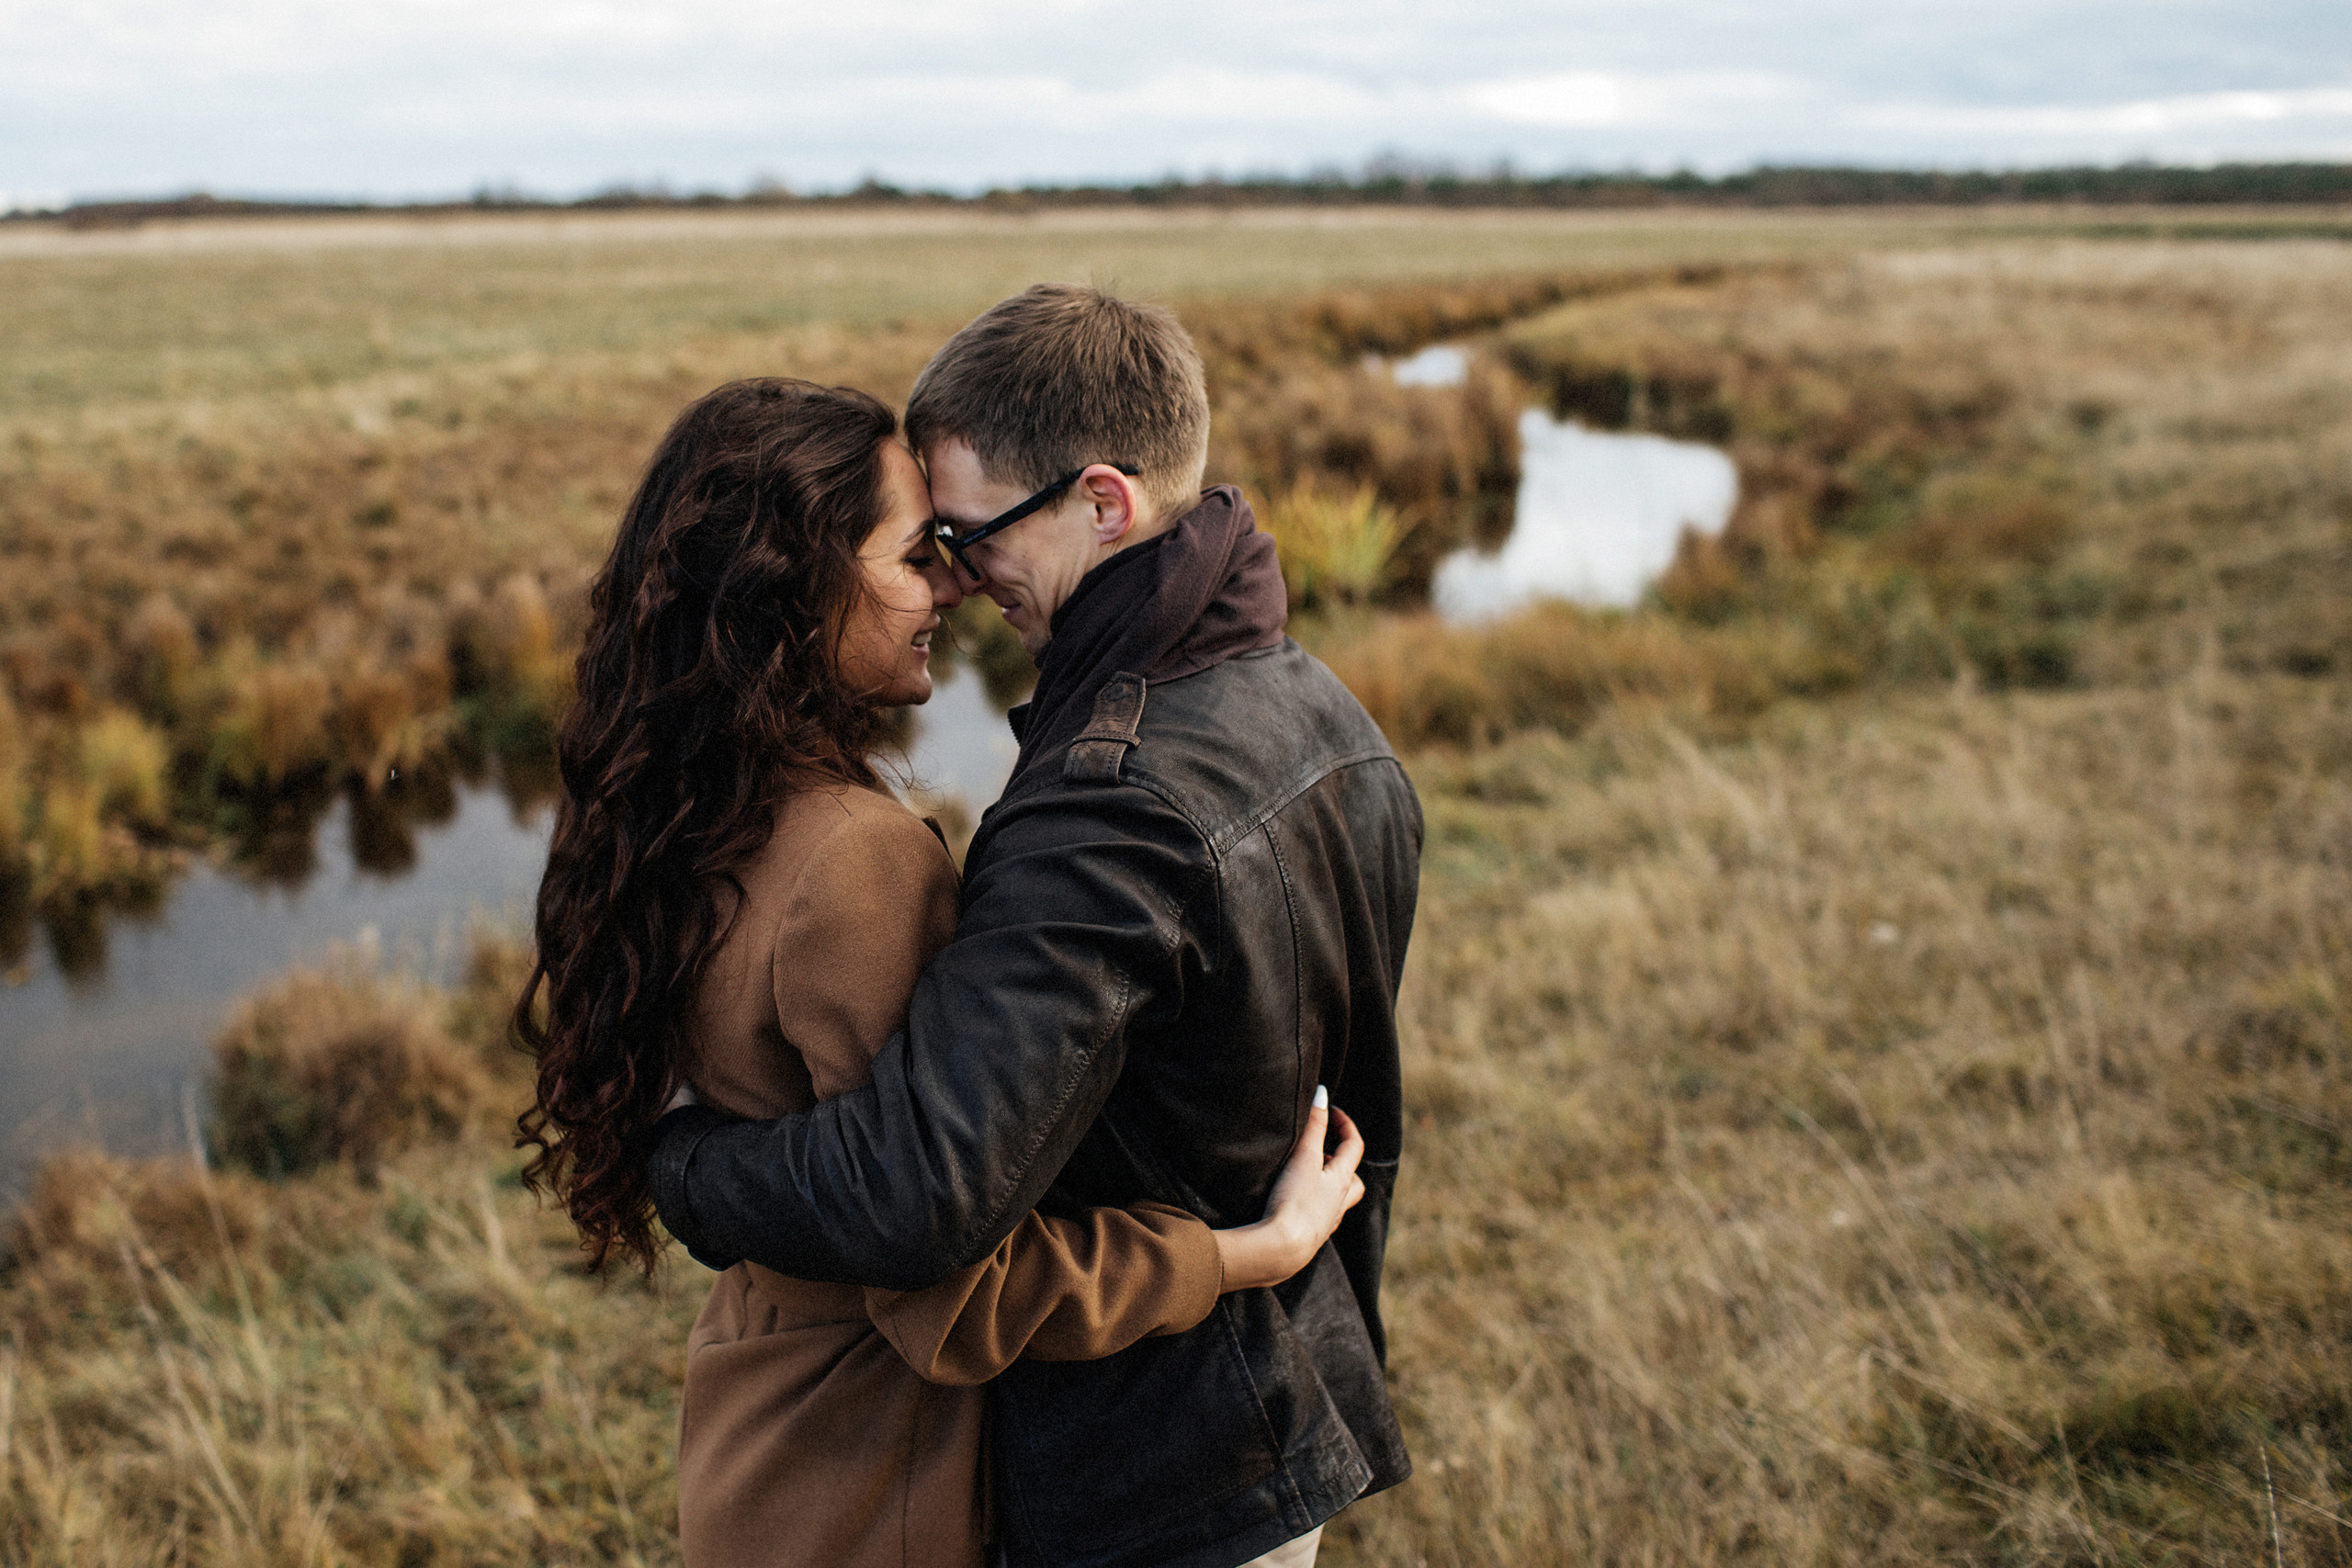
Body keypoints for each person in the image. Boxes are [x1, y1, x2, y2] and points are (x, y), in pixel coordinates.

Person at [514, 378, 1369, 1568]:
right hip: (874, 1476)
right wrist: (1240, 1256)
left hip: (756, 1432)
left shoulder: (669, 804)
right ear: (798, 584)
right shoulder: (855, 860)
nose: (954, 590)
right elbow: (949, 1284)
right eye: (920, 555)